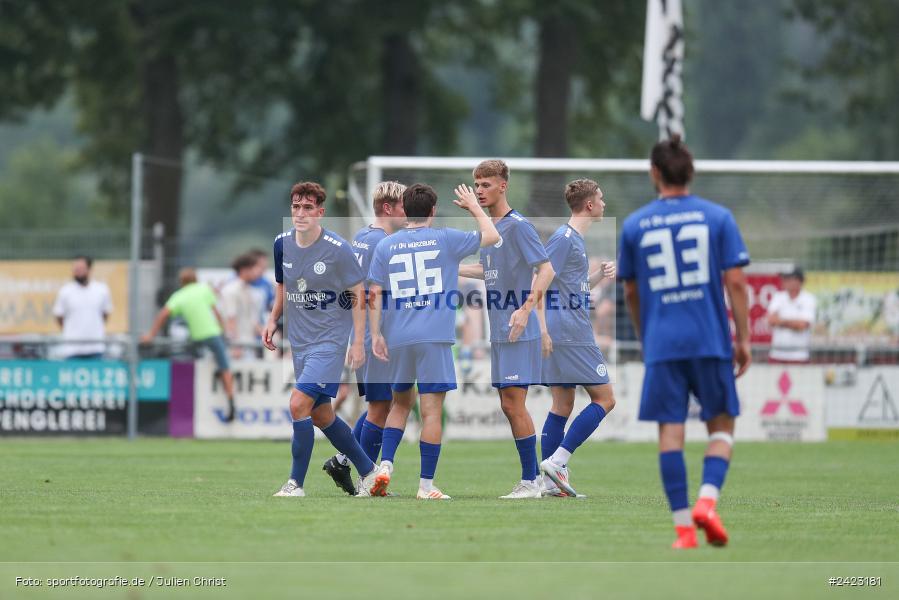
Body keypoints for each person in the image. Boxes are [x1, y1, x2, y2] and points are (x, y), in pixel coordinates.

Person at [618, 135, 751, 549]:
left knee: (670, 434)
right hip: (710, 340)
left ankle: (682, 532)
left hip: (663, 344)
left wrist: (645, 337)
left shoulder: (635, 224)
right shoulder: (718, 218)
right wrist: (743, 339)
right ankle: (707, 503)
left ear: (654, 173)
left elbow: (631, 293)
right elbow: (736, 281)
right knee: (722, 427)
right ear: (691, 172)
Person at [367, 183, 499, 499]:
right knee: (431, 412)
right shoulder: (445, 238)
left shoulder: (386, 245)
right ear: (433, 210)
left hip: (398, 336)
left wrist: (376, 334)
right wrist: (474, 207)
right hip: (434, 337)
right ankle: (426, 486)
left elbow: (373, 293)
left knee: (399, 405)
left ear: (405, 209)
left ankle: (385, 465)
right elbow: (492, 236)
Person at [263, 181, 381, 498]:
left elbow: (359, 294)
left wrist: (357, 342)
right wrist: (273, 319)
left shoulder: (338, 249)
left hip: (330, 341)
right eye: (296, 207)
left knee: (298, 404)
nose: (301, 213)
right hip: (300, 342)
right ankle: (370, 472)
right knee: (321, 415)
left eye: (308, 208)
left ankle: (295, 484)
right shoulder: (281, 244)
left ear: (320, 212)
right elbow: (282, 287)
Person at [459, 160, 556, 499]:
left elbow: (546, 270)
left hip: (518, 328)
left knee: (515, 404)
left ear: (503, 186)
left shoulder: (519, 226)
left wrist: (526, 308)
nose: (479, 191)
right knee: (508, 404)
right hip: (500, 330)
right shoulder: (493, 230)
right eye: (476, 185)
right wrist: (447, 265)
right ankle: (536, 478)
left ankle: (531, 481)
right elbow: (489, 271)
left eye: (486, 184)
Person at [323, 181, 408, 495]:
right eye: (403, 207)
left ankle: (342, 460)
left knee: (379, 405)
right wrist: (365, 337)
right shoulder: (379, 243)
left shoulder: (362, 236)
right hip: (377, 336)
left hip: (369, 335)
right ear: (388, 208)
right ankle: (366, 476)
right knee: (380, 408)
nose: (407, 212)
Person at [537, 179, 618, 498]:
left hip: (565, 327)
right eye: (600, 198)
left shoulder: (572, 239)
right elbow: (539, 281)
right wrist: (542, 329)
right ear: (589, 205)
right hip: (570, 331)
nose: (604, 203)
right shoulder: (564, 238)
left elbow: (568, 285)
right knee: (606, 399)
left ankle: (548, 482)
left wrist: (597, 277)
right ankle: (558, 461)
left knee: (563, 403)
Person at [142, 268, 236, 422]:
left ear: (181, 282)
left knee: (187, 361)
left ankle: (185, 397)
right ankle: (231, 401)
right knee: (225, 367)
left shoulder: (178, 296)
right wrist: (223, 330)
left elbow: (163, 314)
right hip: (213, 334)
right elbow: (216, 312)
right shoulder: (204, 289)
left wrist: (150, 335)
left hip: (195, 337)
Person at [52, 255, 112, 360]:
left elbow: (105, 314)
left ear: (89, 269)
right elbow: (59, 317)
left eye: (81, 268)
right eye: (75, 269)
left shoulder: (101, 290)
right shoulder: (65, 291)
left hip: (96, 347)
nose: (77, 271)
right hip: (72, 349)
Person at [220, 253, 265, 360]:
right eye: (254, 268)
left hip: (250, 345)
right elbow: (231, 319)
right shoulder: (231, 290)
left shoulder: (251, 291)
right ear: (244, 270)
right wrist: (235, 346)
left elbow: (253, 321)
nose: (257, 272)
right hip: (236, 349)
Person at [767, 267, 816, 363]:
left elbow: (802, 325)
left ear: (798, 281)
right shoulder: (778, 297)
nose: (784, 281)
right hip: (777, 354)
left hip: (799, 356)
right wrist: (793, 322)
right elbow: (771, 320)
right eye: (784, 278)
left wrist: (780, 321)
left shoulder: (809, 299)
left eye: (788, 278)